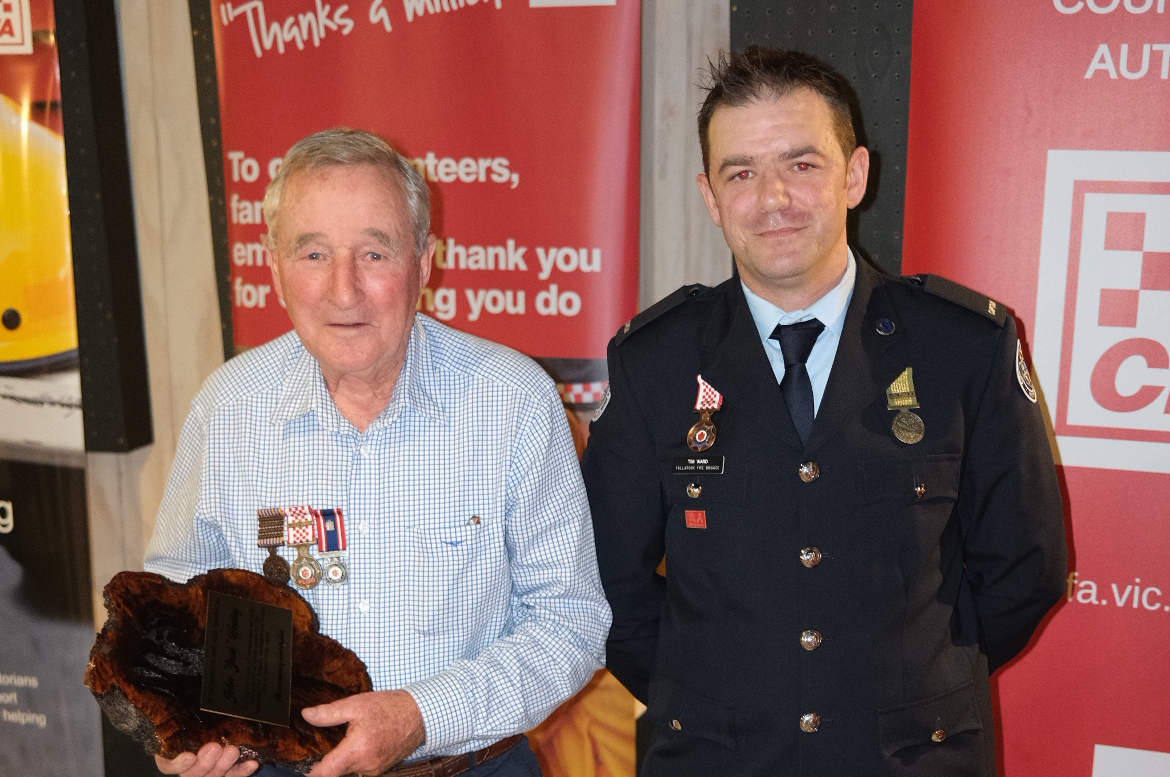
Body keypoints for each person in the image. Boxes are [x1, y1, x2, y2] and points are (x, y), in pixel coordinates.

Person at [580, 46, 1067, 776]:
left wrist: (913, 686)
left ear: (856, 175)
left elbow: (1025, 568)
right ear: (710, 196)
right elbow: (604, 579)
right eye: (740, 172)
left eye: (802, 164)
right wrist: (709, 698)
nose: (772, 197)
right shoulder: (654, 360)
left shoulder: (964, 347)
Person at [145, 128, 611, 777]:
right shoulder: (227, 407)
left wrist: (423, 713)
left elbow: (572, 623)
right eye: (313, 253)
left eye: (374, 253)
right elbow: (176, 604)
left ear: (424, 261)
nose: (343, 290)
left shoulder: (514, 402)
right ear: (273, 265)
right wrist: (182, 720)